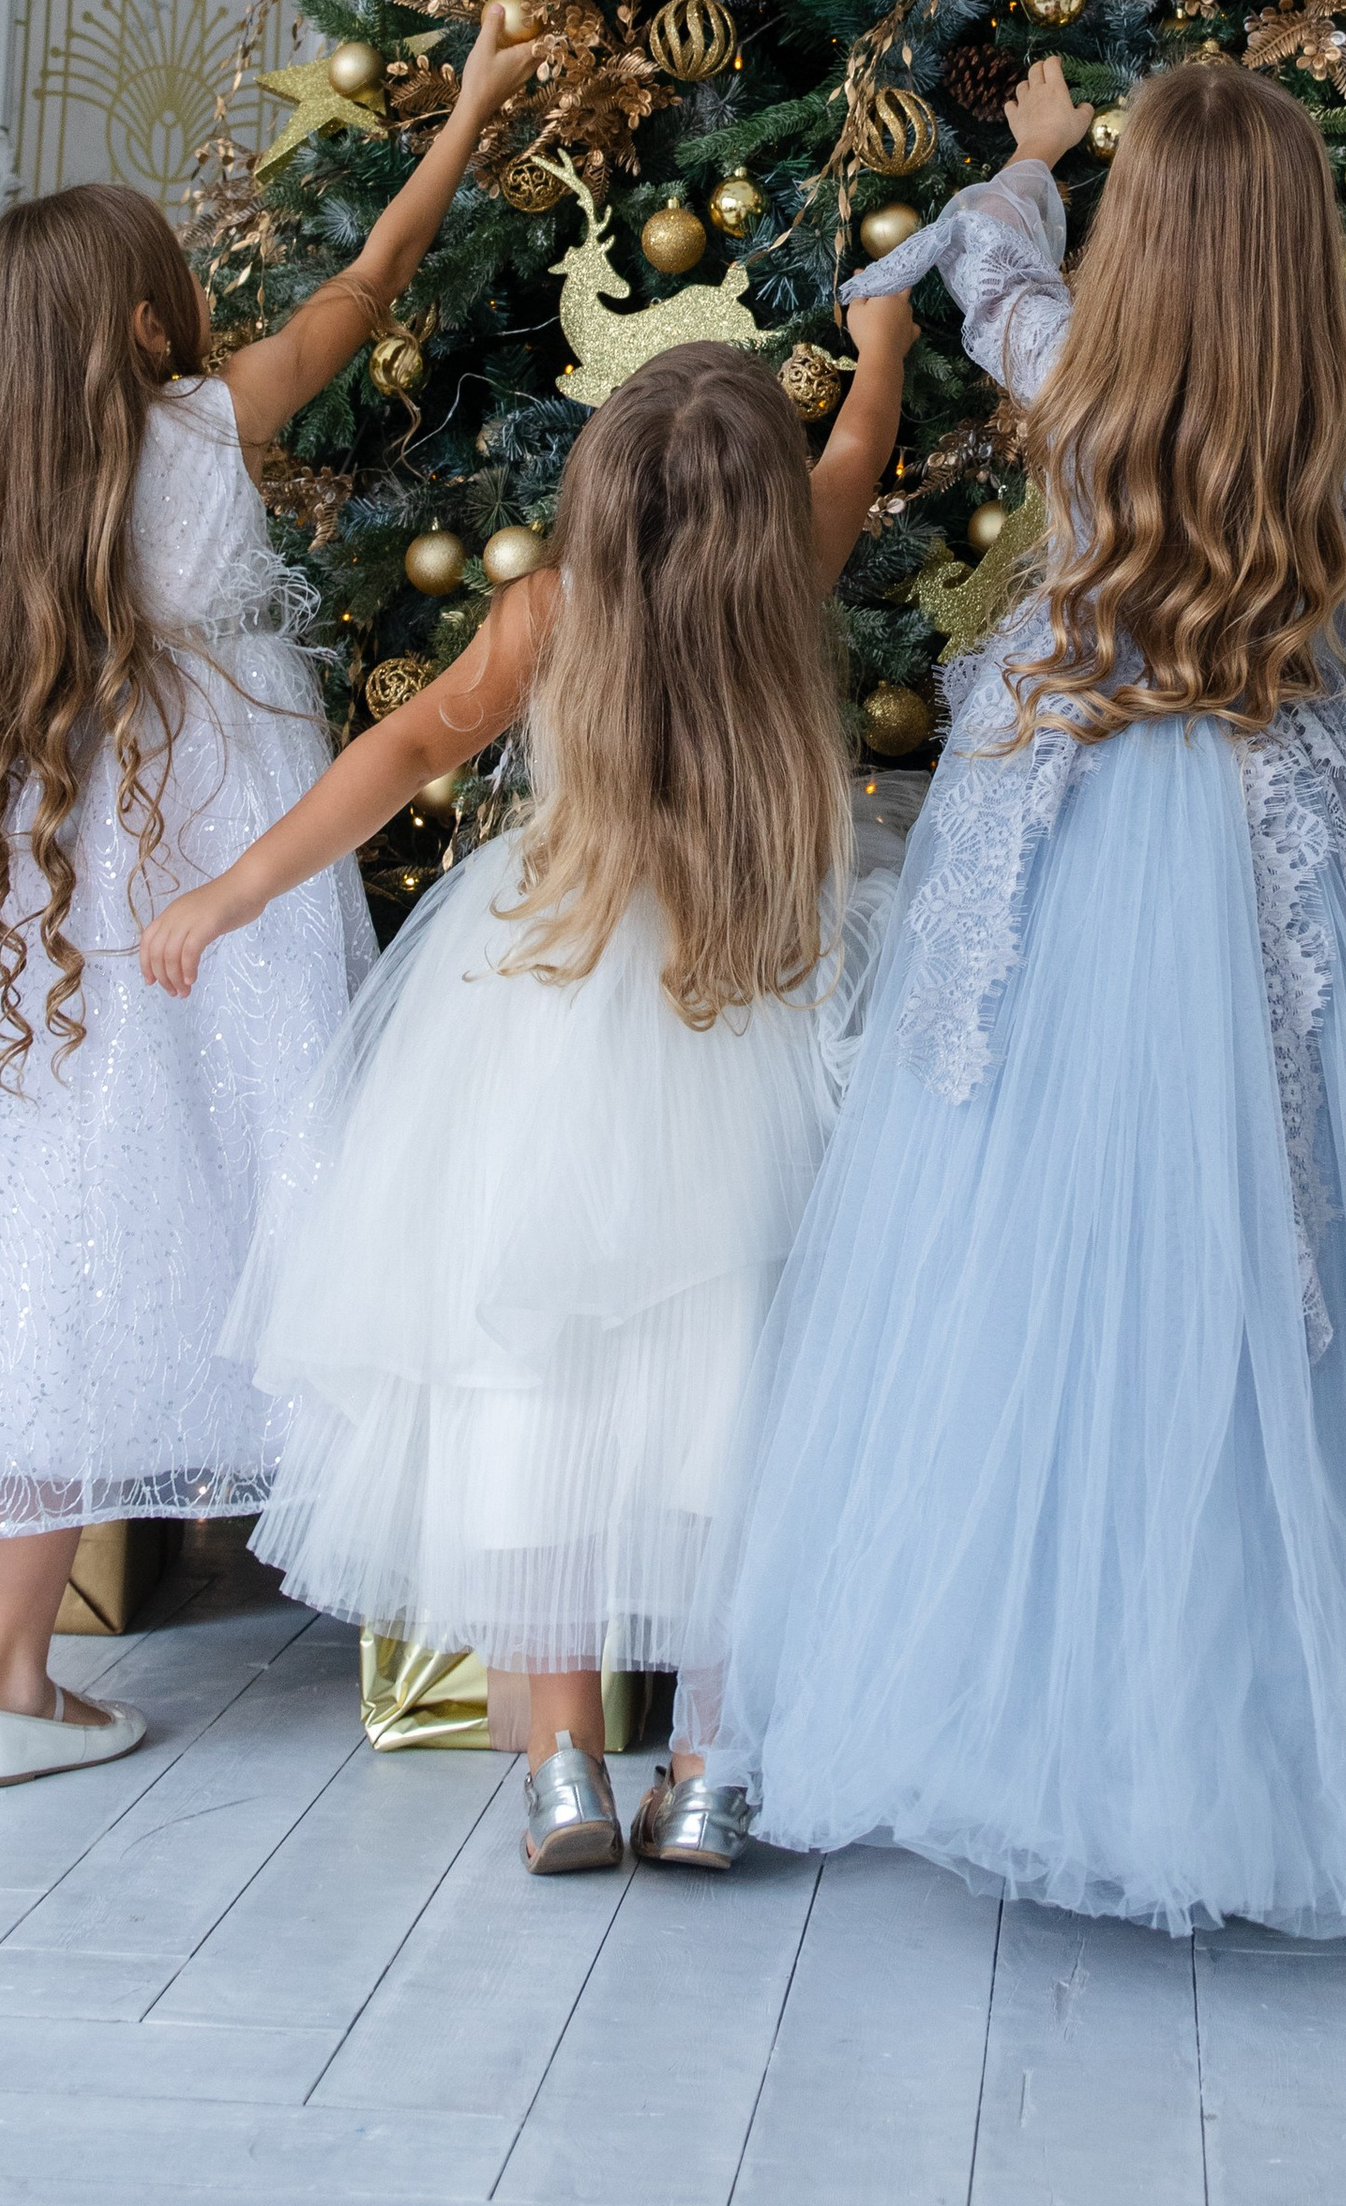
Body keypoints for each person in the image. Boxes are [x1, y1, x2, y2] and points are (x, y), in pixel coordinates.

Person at [683, 53, 1346, 1938]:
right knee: (1305, 1283)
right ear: (1303, 245)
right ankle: (1281, 1744)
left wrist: (1041, 163)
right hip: (1276, 811)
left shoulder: (1071, 361)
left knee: (1036, 1253)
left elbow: (980, 254)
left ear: (1145, 239)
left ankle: (1044, 1726)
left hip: (1067, 819)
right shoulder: (1332, 414)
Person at [0, 3, 539, 1786]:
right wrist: (467, 109)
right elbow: (372, 280)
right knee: (75, 1289)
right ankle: (15, 1685)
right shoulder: (205, 418)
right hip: (168, 910)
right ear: (149, 317)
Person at [140, 304, 916, 1876]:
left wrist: (232, 888)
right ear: (758, 509)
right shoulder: (783, 582)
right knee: (733, 1388)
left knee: (531, 1379)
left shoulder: (553, 614)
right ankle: (707, 1766)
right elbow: (856, 448)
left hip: (541, 1018)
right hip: (743, 1012)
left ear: (602, 493)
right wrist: (884, 337)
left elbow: (400, 750)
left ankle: (562, 1758)